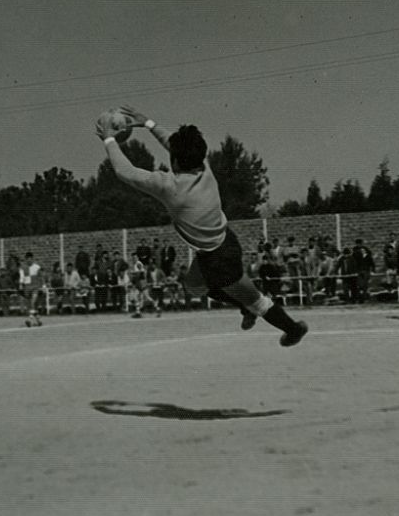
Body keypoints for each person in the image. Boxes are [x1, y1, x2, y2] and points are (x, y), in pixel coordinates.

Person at [98, 107, 307, 346]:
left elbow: (126, 171)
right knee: (194, 287)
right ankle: (245, 306)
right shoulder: (205, 168)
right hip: (224, 242)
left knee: (257, 301)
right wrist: (148, 124)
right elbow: (173, 146)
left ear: (174, 159)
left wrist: (109, 138)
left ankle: (292, 329)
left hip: (219, 258)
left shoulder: (170, 186)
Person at [20, 252, 44, 327]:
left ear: (32, 259)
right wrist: (20, 285)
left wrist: (43, 286)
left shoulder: (37, 267)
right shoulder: (22, 268)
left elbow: (41, 277)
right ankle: (38, 319)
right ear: (26, 260)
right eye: (28, 259)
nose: (29, 261)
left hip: (35, 288)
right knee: (30, 306)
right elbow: (22, 277)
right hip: (27, 288)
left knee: (33, 302)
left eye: (31, 259)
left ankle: (29, 320)